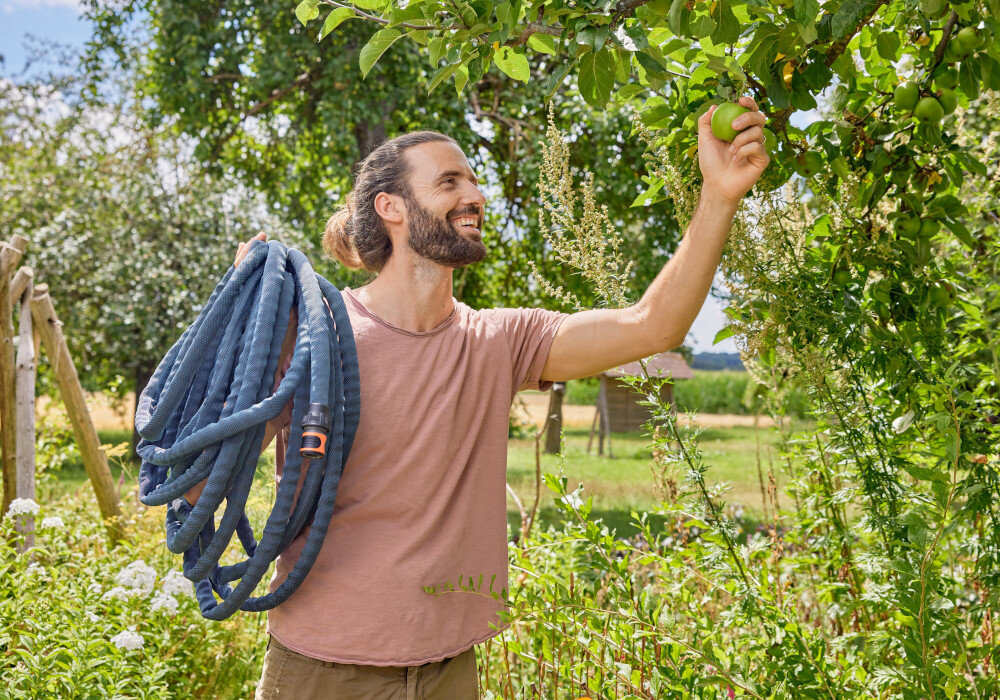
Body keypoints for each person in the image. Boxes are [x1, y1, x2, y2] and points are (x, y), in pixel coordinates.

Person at [187, 97, 768, 699]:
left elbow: (653, 326)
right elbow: (202, 487)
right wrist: (243, 333)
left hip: (449, 671)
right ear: (392, 207)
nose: (474, 195)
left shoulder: (499, 341)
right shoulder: (316, 336)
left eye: (472, 179)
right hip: (324, 669)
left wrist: (718, 196)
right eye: (448, 181)